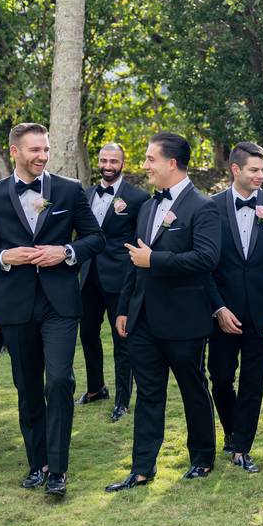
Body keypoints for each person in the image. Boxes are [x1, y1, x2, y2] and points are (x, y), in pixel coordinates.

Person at [0, 123, 105, 497]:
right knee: (28, 387)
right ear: (14, 151)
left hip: (60, 302)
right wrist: (4, 256)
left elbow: (96, 238)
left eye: (45, 149)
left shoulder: (68, 189)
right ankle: (37, 463)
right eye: (34, 150)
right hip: (14, 305)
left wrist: (64, 252)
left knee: (60, 380)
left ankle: (58, 470)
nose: (42, 156)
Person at [105, 133, 221, 492]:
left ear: (172, 163)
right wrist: (124, 308)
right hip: (142, 320)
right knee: (148, 394)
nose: (145, 166)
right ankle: (142, 469)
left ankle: (202, 458)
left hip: (184, 320)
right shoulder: (148, 207)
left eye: (150, 159)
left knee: (193, 389)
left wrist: (154, 259)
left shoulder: (203, 207)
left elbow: (206, 258)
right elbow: (133, 262)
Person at [206, 142, 263, 473]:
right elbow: (206, 265)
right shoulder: (210, 208)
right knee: (220, 377)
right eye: (253, 169)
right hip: (223, 313)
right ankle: (231, 431)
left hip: (262, 314)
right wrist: (218, 308)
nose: (260, 175)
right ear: (236, 170)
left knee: (253, 381)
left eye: (262, 170)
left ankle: (242, 446)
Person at [75, 143, 148, 422]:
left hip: (119, 279)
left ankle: (122, 400)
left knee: (122, 341)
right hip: (88, 276)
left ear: (123, 163)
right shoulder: (87, 193)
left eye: (113, 160)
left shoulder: (138, 198)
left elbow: (140, 240)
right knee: (88, 335)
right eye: (104, 160)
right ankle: (96, 389)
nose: (107, 165)